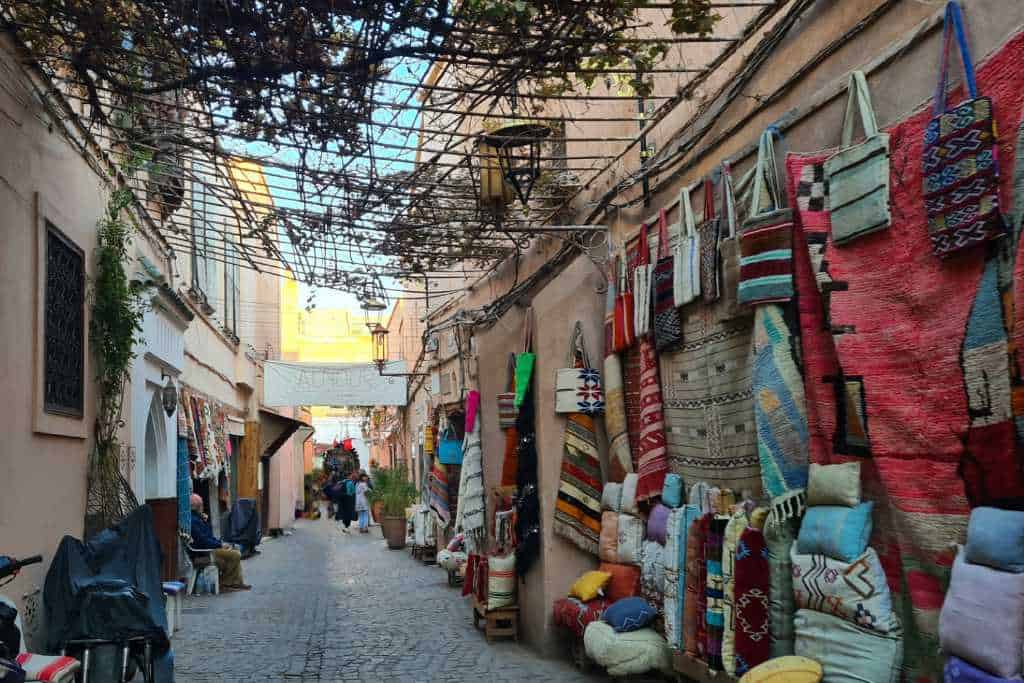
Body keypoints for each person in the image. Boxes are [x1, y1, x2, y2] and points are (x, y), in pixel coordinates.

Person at [189, 494, 251, 591]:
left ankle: (237, 582)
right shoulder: (194, 521)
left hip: (208, 549)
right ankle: (226, 583)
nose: (202, 507)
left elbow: (209, 537)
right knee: (235, 554)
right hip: (204, 553)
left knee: (233, 551)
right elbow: (204, 541)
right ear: (196, 507)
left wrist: (221, 543)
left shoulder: (198, 519)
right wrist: (220, 544)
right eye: (201, 505)